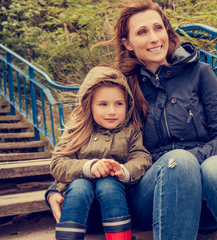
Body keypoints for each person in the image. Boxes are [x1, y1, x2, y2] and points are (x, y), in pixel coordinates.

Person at [47, 0, 217, 239]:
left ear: (167, 31)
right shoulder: (121, 86)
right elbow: (89, 137)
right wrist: (55, 188)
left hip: (206, 190)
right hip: (149, 194)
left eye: (158, 28)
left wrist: (192, 162)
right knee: (179, 162)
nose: (154, 38)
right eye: (142, 32)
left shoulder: (200, 73)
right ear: (127, 43)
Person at [49, 66, 152, 240]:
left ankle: (120, 237)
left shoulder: (131, 130)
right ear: (89, 104)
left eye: (118, 104)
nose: (111, 111)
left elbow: (142, 157)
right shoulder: (77, 129)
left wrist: (124, 171)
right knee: (81, 185)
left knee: (108, 182)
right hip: (82, 211)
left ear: (127, 104)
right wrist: (89, 167)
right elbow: (58, 163)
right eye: (103, 104)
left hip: (117, 208)